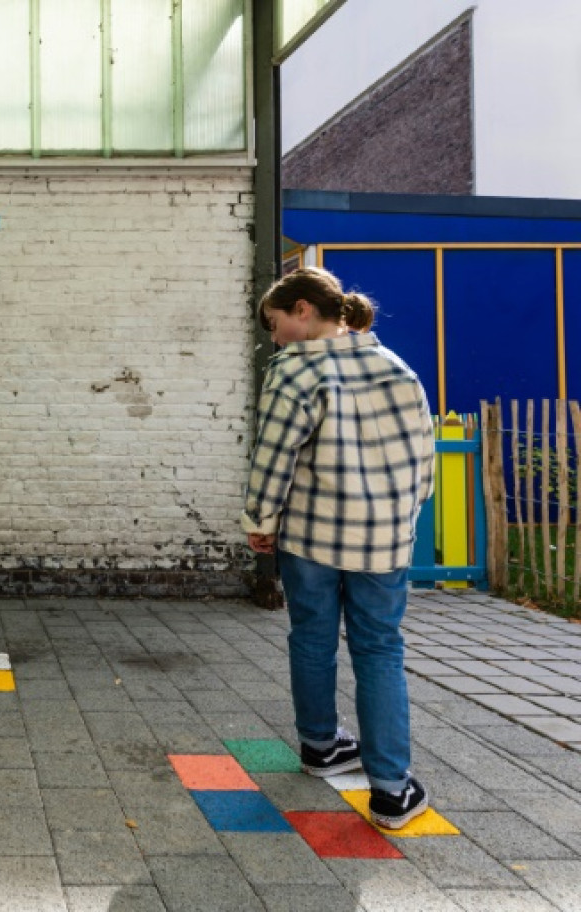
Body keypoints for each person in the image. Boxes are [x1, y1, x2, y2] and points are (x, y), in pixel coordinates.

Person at [243, 266, 436, 830]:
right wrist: (400, 520)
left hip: (311, 538)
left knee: (312, 637)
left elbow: (273, 455)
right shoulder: (397, 368)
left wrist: (260, 520)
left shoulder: (294, 372)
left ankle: (321, 746)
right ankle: (391, 791)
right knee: (380, 650)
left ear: (303, 310)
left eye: (275, 325)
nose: (274, 338)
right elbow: (423, 466)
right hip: (382, 542)